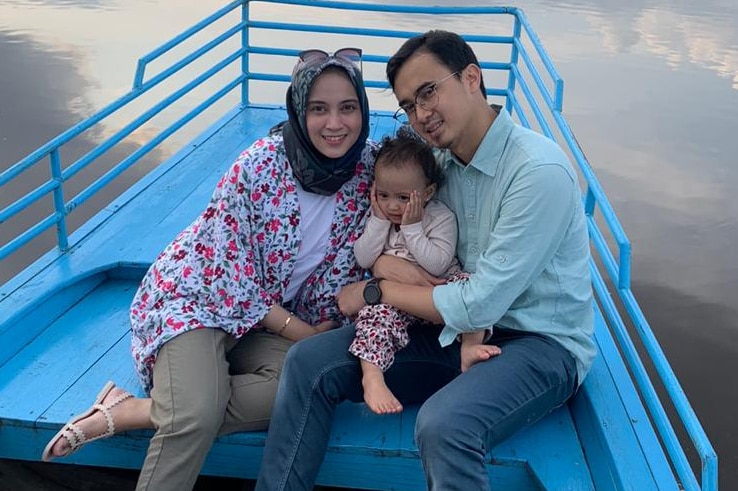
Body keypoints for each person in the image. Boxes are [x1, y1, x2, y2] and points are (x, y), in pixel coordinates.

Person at [254, 29, 596, 491]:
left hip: (535, 342)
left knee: (444, 426)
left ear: (472, 78)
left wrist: (376, 290)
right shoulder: (438, 162)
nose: (421, 114)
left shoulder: (538, 173)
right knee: (307, 362)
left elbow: (480, 304)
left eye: (429, 91)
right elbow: (384, 218)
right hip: (445, 329)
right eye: (409, 105)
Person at [41, 47, 378, 491]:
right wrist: (301, 332)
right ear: (297, 109)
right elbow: (230, 275)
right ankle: (178, 408)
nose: (335, 124)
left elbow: (424, 168)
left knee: (303, 390)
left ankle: (135, 411)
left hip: (263, 322)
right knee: (194, 417)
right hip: (199, 299)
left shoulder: (367, 170)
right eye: (318, 108)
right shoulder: (257, 168)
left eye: (347, 108)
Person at [349, 131, 497, 415]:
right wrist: (379, 223)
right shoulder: (381, 216)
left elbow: (437, 264)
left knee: (473, 288)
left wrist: (412, 228)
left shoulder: (440, 217)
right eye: (383, 195)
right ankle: (372, 376)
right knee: (372, 317)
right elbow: (363, 258)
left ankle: (469, 345)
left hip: (436, 293)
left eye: (404, 197)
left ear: (427, 192)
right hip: (398, 301)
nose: (393, 205)